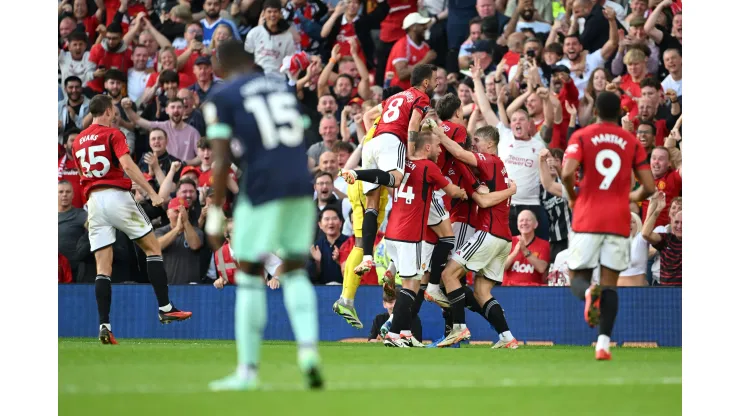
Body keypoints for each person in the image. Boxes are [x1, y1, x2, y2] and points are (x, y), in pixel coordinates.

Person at [203, 40, 323, 391]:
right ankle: (308, 353)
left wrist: (215, 209)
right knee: (296, 271)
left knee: (251, 274)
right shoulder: (279, 86)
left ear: (220, 67)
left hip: (260, 187)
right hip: (301, 185)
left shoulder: (223, 96)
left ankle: (247, 372)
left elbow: (222, 159)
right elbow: (302, 129)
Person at [72, 94, 192, 345]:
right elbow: (127, 166)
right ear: (106, 111)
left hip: (93, 202)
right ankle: (165, 307)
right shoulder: (113, 134)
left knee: (103, 268)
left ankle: (105, 325)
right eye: (113, 110)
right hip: (116, 196)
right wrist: (151, 193)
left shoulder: (78, 141)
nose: (115, 114)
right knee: (153, 248)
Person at [561, 91, 655, 361]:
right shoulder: (631, 141)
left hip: (587, 216)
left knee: (577, 277)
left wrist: (574, 196)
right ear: (618, 113)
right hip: (618, 219)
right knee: (610, 284)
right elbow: (648, 186)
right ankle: (603, 344)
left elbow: (567, 172)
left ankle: (589, 292)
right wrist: (632, 197)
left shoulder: (582, 135)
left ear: (596, 112)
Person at [340, 64, 437, 277]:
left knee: (371, 207)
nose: (438, 82)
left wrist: (370, 140)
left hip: (371, 144)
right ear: (426, 82)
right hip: (392, 141)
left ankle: (367, 257)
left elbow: (367, 117)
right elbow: (412, 125)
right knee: (395, 180)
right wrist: (411, 153)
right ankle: (357, 174)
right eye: (435, 79)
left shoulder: (397, 97)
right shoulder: (421, 98)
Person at [431, 119, 519, 349]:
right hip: (504, 239)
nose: (474, 146)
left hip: (489, 233)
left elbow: (460, 154)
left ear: (490, 144)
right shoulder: (501, 170)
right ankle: (507, 338)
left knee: (449, 275)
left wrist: (438, 133)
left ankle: (458, 329)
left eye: (478, 142)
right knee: (481, 291)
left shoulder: (489, 160)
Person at [380, 130, 466, 348]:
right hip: (411, 234)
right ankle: (394, 333)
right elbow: (452, 191)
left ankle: (405, 332)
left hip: (392, 231)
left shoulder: (402, 164)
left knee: (413, 282)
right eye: (437, 145)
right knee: (412, 285)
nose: (439, 150)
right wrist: (465, 193)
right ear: (427, 147)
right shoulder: (428, 166)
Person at [642, 192, 682, 286]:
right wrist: (657, 210)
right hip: (664, 291)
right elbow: (645, 234)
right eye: (676, 222)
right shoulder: (665, 238)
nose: (679, 226)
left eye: (680, 208)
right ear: (669, 215)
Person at [503, 210, 551, 286]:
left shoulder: (544, 244)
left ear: (535, 224)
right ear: (517, 225)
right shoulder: (508, 241)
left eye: (528, 220)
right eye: (521, 220)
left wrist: (525, 250)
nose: (524, 223)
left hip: (533, 290)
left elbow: (542, 268)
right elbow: (501, 268)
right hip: (509, 289)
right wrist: (515, 252)